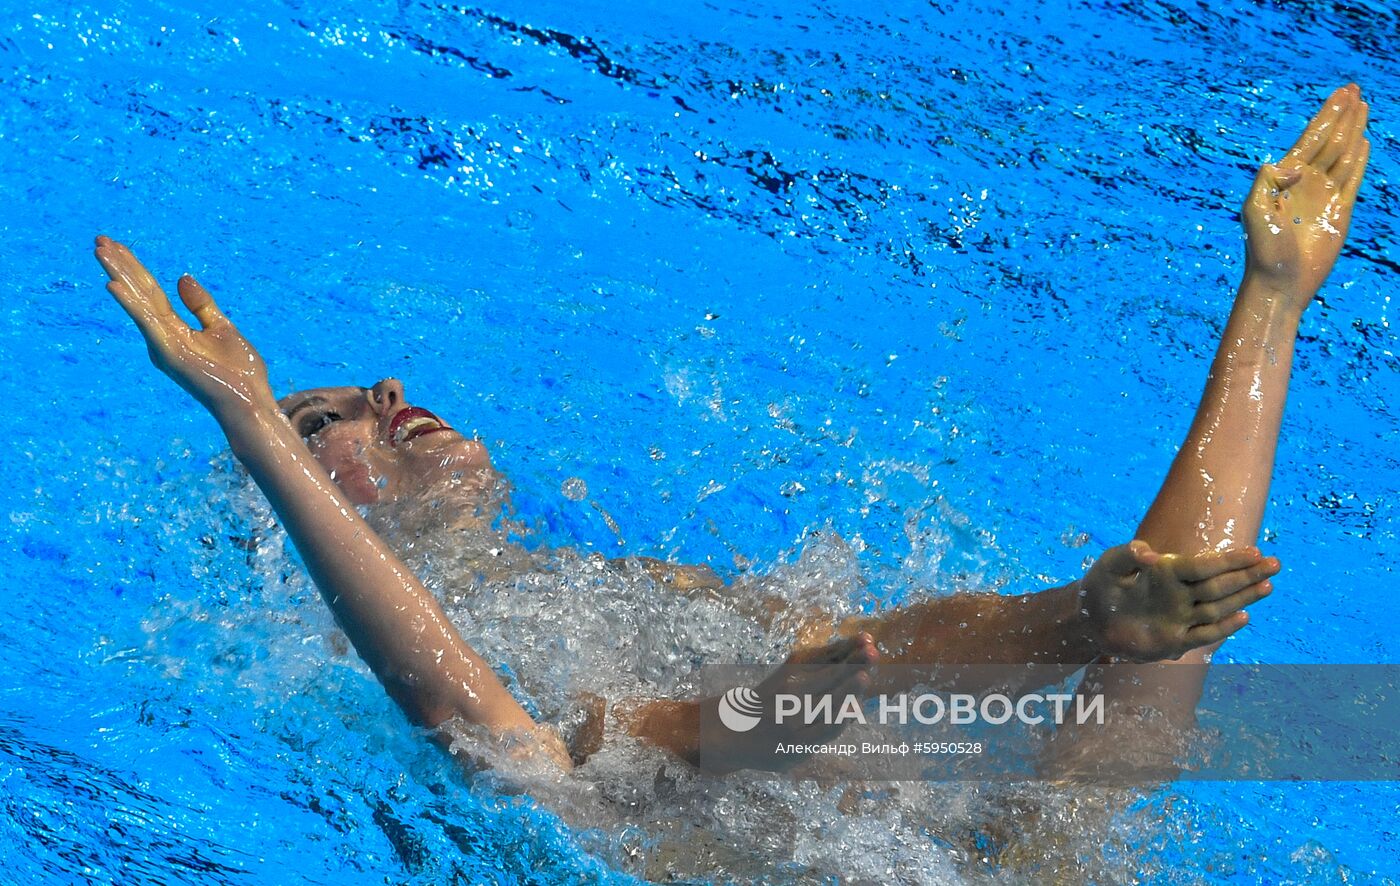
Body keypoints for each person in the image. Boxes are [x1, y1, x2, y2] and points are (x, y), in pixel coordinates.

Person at [94, 83, 1368, 781]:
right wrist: (255, 422)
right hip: (713, 828)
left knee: (1137, 663)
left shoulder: (628, 583)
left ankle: (1262, 314)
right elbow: (492, 737)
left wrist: (1072, 624)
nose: (379, 398)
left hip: (914, 836)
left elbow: (883, 658)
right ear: (316, 506)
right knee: (568, 757)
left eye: (364, 388)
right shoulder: (336, 660)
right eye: (331, 419)